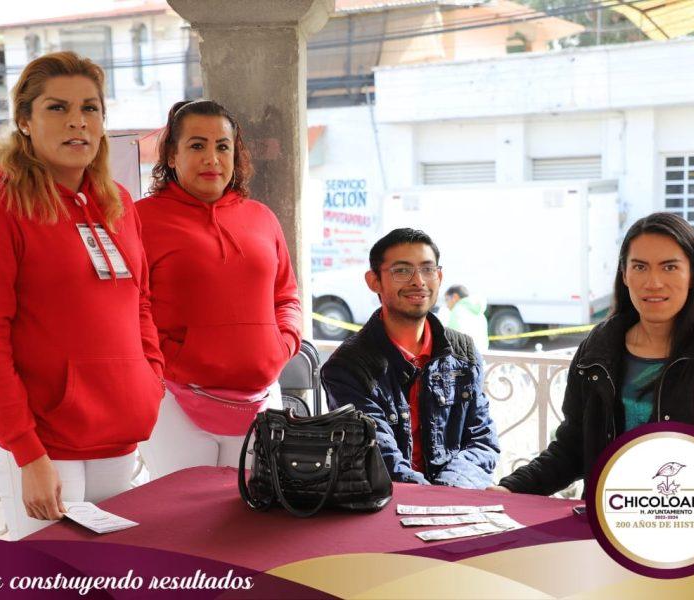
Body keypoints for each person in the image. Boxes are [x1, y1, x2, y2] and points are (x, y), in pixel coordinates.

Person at [0, 52, 166, 539]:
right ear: (24, 121)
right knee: (51, 583)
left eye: (90, 108)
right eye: (57, 108)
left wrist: (148, 380)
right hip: (45, 445)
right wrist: (27, 453)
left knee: (110, 579)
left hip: (118, 437)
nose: (77, 121)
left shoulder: (118, 203)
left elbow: (141, 303)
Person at [495, 212, 694, 496]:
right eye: (640, 267)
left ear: (693, 274)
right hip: (604, 524)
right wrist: (510, 489)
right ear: (625, 274)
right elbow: (573, 447)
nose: (653, 282)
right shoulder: (597, 349)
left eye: (669, 267)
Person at [136, 100, 302, 476]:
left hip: (261, 398)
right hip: (174, 398)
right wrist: (172, 359)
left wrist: (282, 347)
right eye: (197, 146)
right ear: (172, 156)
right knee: (184, 522)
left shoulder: (261, 217)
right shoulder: (140, 219)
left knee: (251, 522)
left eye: (222, 146)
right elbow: (132, 307)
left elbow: (286, 295)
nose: (211, 158)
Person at [321, 228, 500, 488]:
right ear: (374, 281)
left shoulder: (462, 351)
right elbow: (380, 460)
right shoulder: (348, 366)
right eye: (402, 271)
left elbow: (482, 440)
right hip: (386, 509)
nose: (418, 281)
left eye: (428, 270)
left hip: (456, 501)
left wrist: (448, 491)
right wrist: (432, 499)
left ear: (439, 277)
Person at [444, 284, 489, 351]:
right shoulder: (480, 313)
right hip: (482, 355)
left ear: (455, 297)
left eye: (447, 300)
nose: (447, 305)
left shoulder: (458, 310)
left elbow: (451, 338)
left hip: (465, 357)